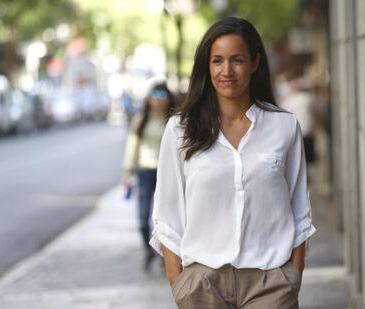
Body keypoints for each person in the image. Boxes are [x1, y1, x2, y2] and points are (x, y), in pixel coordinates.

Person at [149, 17, 316, 308]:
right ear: (207, 66)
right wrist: (181, 284)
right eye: (217, 61)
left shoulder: (284, 127)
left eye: (237, 60)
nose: (227, 71)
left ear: (255, 62)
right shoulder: (180, 130)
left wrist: (292, 275)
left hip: (271, 283)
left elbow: (299, 209)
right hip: (202, 285)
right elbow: (167, 215)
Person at [123, 82, 176, 271]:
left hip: (167, 173)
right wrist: (128, 171)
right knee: (143, 215)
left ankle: (166, 254)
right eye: (155, 96)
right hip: (145, 171)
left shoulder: (173, 120)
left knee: (166, 217)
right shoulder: (141, 119)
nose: (158, 101)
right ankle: (147, 249)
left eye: (162, 97)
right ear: (149, 99)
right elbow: (132, 145)